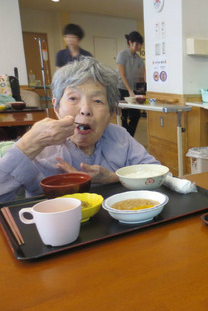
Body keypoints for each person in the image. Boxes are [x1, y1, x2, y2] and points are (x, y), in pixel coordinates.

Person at [0, 57, 160, 203]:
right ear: (56, 107)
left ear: (111, 113)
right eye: (73, 98)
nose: (85, 110)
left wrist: (112, 178)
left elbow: (157, 175)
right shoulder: (39, 147)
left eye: (97, 100)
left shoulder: (119, 137)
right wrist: (29, 144)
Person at [117, 31, 145, 137]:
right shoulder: (122, 55)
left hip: (133, 89)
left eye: (140, 44)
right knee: (123, 116)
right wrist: (129, 90)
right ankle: (124, 138)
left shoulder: (138, 59)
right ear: (130, 42)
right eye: (137, 44)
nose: (139, 47)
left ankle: (129, 137)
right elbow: (122, 75)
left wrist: (141, 93)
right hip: (122, 88)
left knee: (136, 115)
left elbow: (141, 77)